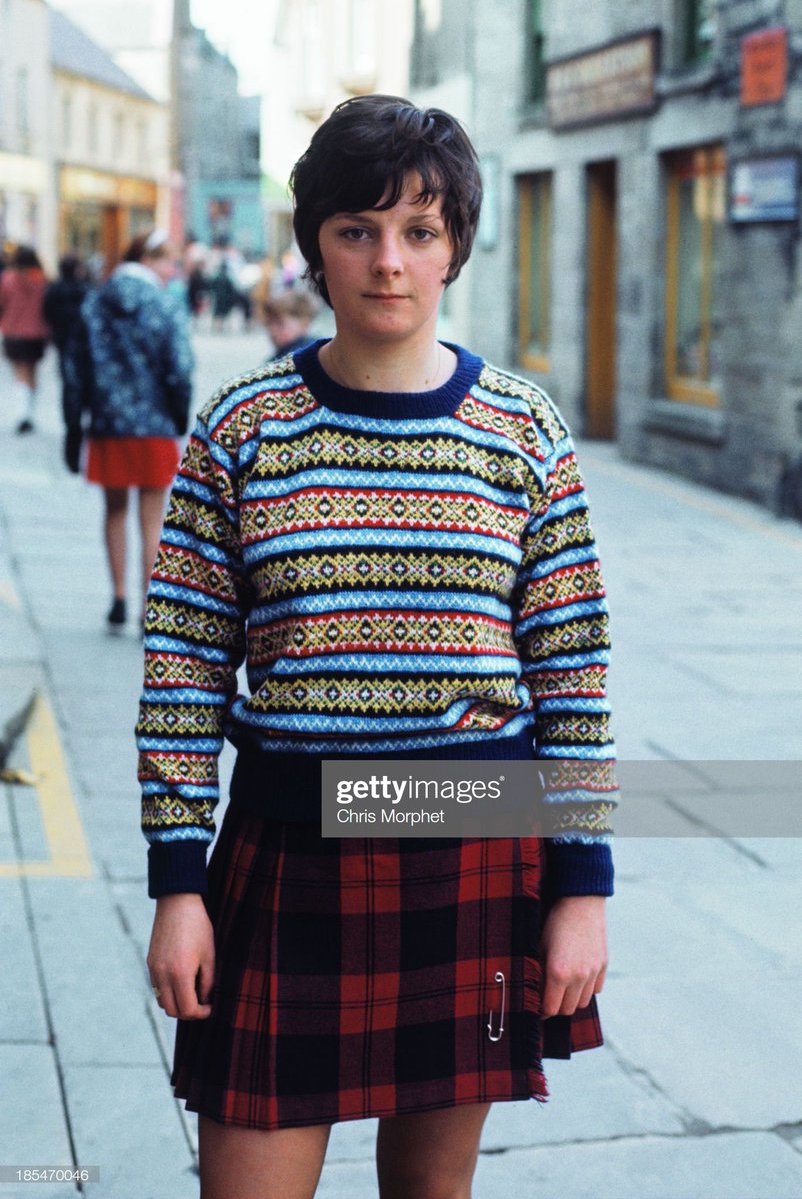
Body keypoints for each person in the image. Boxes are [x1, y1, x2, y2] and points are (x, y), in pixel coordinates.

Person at [138, 95, 615, 1199]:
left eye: (420, 231)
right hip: (289, 850)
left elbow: (573, 677)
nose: (388, 263)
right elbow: (182, 667)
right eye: (356, 230)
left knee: (430, 1194)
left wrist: (582, 884)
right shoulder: (241, 430)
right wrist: (177, 878)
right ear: (313, 249)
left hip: (475, 852)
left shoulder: (522, 432)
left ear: (456, 247)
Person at [63, 228, 193, 632]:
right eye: (169, 261)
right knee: (153, 520)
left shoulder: (96, 301)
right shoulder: (163, 305)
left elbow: (74, 370)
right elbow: (180, 368)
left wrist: (73, 425)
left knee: (114, 512)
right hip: (154, 426)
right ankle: (145, 607)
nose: (173, 270)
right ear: (150, 259)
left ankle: (118, 595)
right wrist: (179, 416)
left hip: (107, 425)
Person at [0, 245, 49, 434]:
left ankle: (23, 414)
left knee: (20, 371)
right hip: (37, 332)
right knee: (32, 371)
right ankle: (29, 413)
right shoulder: (40, 280)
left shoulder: (8, 279)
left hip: (14, 331)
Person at [44, 253, 91, 415]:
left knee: (68, 382)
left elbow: (47, 312)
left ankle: (72, 418)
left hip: (63, 339)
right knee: (82, 380)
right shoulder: (85, 289)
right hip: (81, 342)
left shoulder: (55, 288)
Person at [261, 288, 319, 361]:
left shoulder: (304, 358)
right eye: (269, 323)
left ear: (304, 323)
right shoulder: (280, 355)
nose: (272, 330)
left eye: (279, 323)